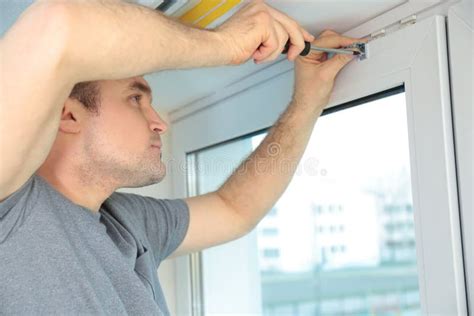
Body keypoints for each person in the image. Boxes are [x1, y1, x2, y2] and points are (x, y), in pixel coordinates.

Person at [0, 0, 363, 314]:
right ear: (68, 114)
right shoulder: (11, 206)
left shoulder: (127, 221)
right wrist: (224, 44)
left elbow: (234, 209)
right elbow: (56, 26)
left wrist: (308, 98)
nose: (159, 122)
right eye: (136, 98)